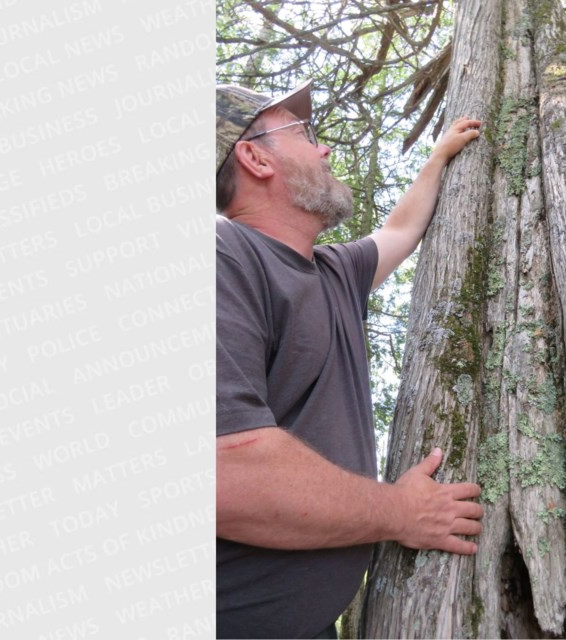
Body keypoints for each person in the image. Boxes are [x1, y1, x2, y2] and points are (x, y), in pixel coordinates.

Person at [214, 80, 485, 639]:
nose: (324, 149)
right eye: (304, 133)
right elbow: (225, 472)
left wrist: (438, 156)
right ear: (255, 157)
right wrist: (401, 514)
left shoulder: (335, 272)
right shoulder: (222, 258)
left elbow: (400, 230)